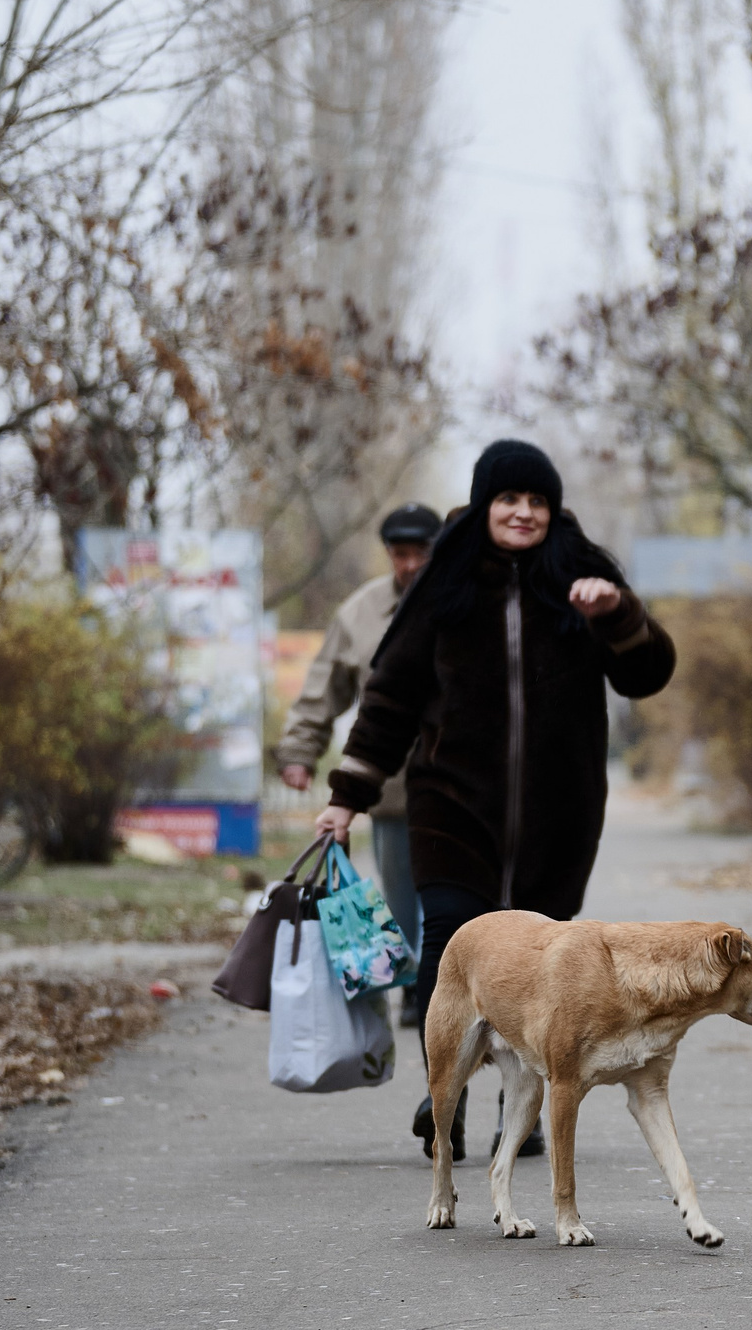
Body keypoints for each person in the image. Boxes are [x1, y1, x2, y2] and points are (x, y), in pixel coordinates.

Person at [313, 440, 676, 1161]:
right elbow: (390, 697)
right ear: (485, 504)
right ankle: (443, 1096)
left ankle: (524, 1106)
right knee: (448, 943)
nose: (523, 512)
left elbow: (648, 676)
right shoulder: (445, 581)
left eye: (537, 501)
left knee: (542, 964)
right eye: (509, 499)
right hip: (452, 805)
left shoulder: (583, 576)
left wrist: (616, 613)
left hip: (559, 813)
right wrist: (346, 798)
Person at [276, 503, 442, 1030]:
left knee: (450, 893)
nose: (410, 564)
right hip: (391, 786)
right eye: (400, 554)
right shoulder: (360, 613)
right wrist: (299, 751)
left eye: (421, 553)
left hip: (459, 785)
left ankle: (446, 985)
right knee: (401, 892)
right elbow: (322, 687)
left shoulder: (464, 601)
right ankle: (414, 985)